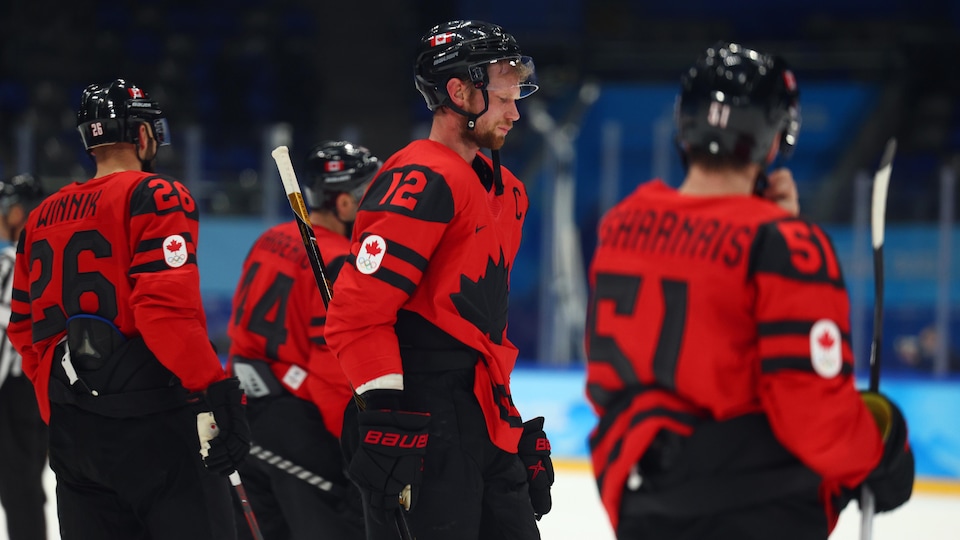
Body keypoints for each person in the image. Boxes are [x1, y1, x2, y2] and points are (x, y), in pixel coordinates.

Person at [584, 42, 915, 540]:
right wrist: (882, 455)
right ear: (774, 139)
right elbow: (814, 418)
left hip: (642, 496)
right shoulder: (788, 246)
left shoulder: (622, 224)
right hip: (753, 512)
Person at [324, 19, 554, 540]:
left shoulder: (509, 191)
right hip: (420, 416)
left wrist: (508, 425)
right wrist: (384, 418)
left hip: (479, 415)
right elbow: (356, 315)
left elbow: (480, 331)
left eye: (518, 94)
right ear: (458, 92)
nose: (516, 111)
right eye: (502, 95)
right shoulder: (421, 178)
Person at [6, 79, 251, 540]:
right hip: (154, 423)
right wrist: (216, 393)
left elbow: (25, 329)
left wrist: (58, 404)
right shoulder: (158, 195)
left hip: (73, 433)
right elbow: (164, 313)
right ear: (142, 135)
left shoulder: (39, 218)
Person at [226, 140, 378, 540]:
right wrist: (355, 449)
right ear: (344, 204)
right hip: (301, 428)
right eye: (367, 194)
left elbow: (238, 336)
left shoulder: (270, 238)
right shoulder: (336, 260)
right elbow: (329, 369)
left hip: (246, 415)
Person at [0, 173, 48, 540]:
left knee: (20, 487)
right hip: (42, 383)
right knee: (26, 486)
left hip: (15, 390)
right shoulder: (49, 260)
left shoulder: (10, 265)